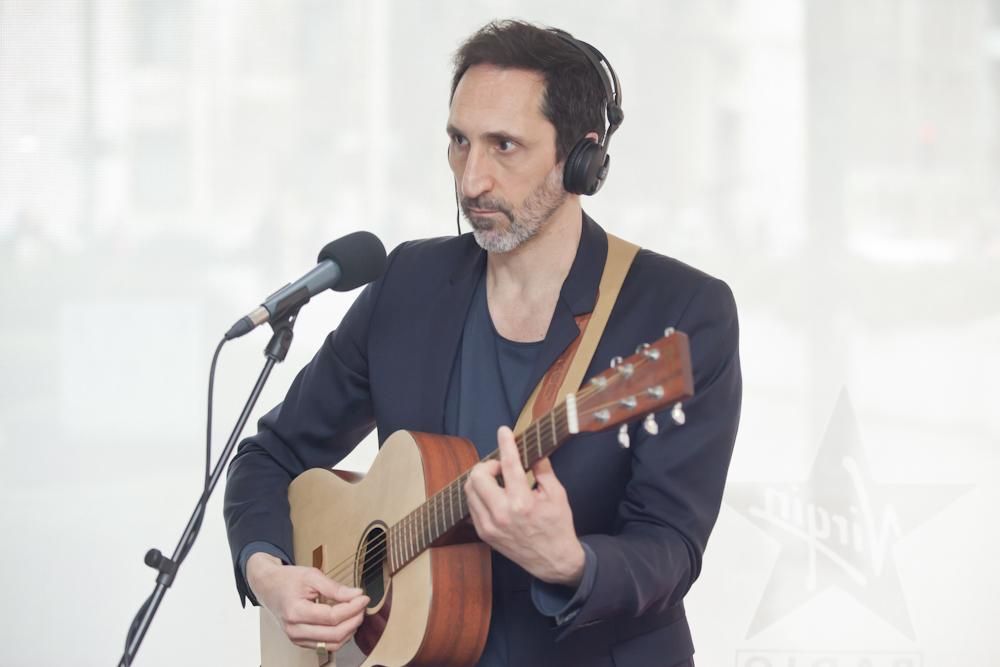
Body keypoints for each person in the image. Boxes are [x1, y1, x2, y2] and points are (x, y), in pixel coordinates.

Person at [224, 19, 741, 667]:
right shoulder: (408, 282)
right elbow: (271, 454)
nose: (471, 181)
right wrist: (268, 573)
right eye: (459, 142)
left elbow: (671, 545)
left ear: (582, 160)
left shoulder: (677, 311)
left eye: (505, 146)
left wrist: (569, 560)